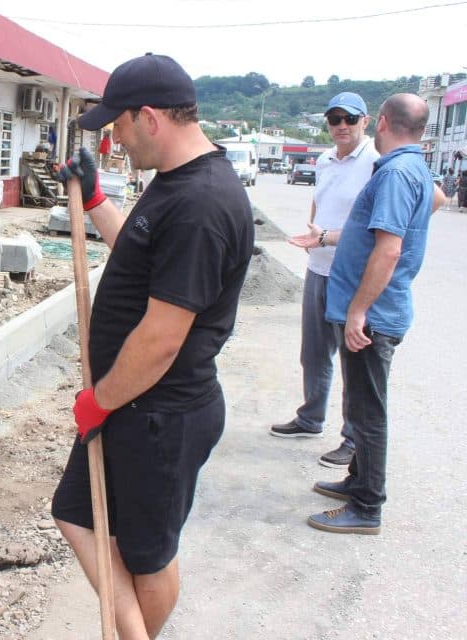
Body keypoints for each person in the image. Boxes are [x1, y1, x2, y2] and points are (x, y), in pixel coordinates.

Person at [51, 53, 253, 639]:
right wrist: (93, 200)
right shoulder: (174, 185)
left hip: (160, 414)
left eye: (117, 124)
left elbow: (163, 339)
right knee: (78, 515)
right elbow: (139, 260)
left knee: (148, 555)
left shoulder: (202, 204)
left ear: (149, 118)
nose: (113, 138)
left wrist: (101, 400)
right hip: (134, 407)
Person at [293, 94, 436, 535]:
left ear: (383, 122)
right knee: (359, 402)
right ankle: (356, 481)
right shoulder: (411, 167)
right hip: (376, 309)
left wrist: (358, 310)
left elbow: (388, 249)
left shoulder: (395, 172)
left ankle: (367, 506)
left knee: (369, 414)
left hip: (374, 313)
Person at [270, 92, 378, 468]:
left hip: (350, 276)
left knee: (353, 360)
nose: (342, 126)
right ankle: (310, 417)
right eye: (335, 119)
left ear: (366, 120)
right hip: (318, 267)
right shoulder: (324, 160)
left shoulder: (376, 162)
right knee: (314, 353)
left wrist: (328, 237)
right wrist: (315, 233)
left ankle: (352, 439)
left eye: (349, 118)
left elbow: (379, 224)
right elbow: (320, 202)